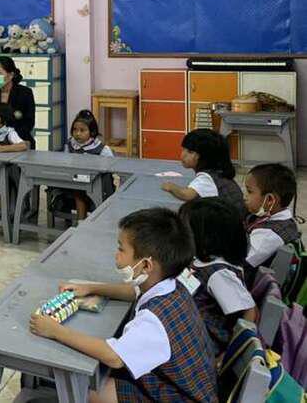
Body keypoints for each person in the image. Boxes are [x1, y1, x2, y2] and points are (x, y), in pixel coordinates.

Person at [29, 207, 217, 402]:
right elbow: (133, 291)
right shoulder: (171, 284)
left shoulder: (154, 320)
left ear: (146, 265)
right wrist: (91, 288)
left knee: (83, 387)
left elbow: (114, 357)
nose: (116, 255)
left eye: (121, 249)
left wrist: (55, 331)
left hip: (178, 397)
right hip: (180, 384)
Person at [178, 198, 257, 356]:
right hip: (190, 334)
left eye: (185, 231)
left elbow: (249, 312)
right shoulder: (202, 260)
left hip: (202, 347)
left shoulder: (219, 275)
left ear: (207, 237)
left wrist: (228, 355)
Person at [162, 129, 245, 216]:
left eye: (190, 152)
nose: (183, 155)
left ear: (205, 157)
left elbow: (186, 195)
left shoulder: (206, 178)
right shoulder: (219, 172)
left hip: (229, 219)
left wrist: (171, 187)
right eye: (183, 149)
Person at [51, 110, 114, 220]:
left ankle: (85, 220)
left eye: (82, 130)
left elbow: (111, 168)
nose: (78, 133)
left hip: (96, 185)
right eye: (75, 130)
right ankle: (79, 220)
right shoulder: (70, 145)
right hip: (74, 182)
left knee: (80, 191)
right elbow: (65, 162)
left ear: (92, 132)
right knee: (76, 189)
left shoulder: (102, 149)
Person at [243, 163, 300, 268]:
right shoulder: (270, 215)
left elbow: (240, 263)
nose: (245, 197)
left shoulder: (268, 236)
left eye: (249, 192)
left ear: (269, 200)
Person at [0, 56, 36, 148]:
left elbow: (29, 123)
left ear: (11, 75)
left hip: (20, 141)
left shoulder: (25, 93)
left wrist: (9, 138)